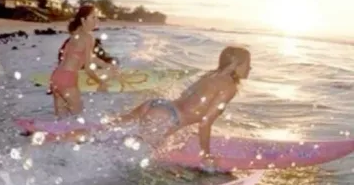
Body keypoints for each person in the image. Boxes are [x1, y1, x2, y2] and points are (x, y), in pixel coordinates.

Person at [46, 46, 251, 168]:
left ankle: (54, 139)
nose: (250, 68)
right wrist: (206, 155)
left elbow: (186, 97)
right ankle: (71, 160)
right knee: (123, 153)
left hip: (157, 106)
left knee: (106, 130)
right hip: (166, 117)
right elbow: (205, 122)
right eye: (247, 64)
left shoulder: (210, 75)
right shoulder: (229, 87)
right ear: (236, 65)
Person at [49, 4, 118, 117]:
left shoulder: (75, 33)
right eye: (93, 17)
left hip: (56, 77)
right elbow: (88, 68)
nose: (96, 20)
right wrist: (101, 82)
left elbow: (84, 56)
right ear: (83, 19)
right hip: (67, 79)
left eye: (97, 17)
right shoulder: (88, 37)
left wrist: (105, 65)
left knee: (62, 121)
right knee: (80, 118)